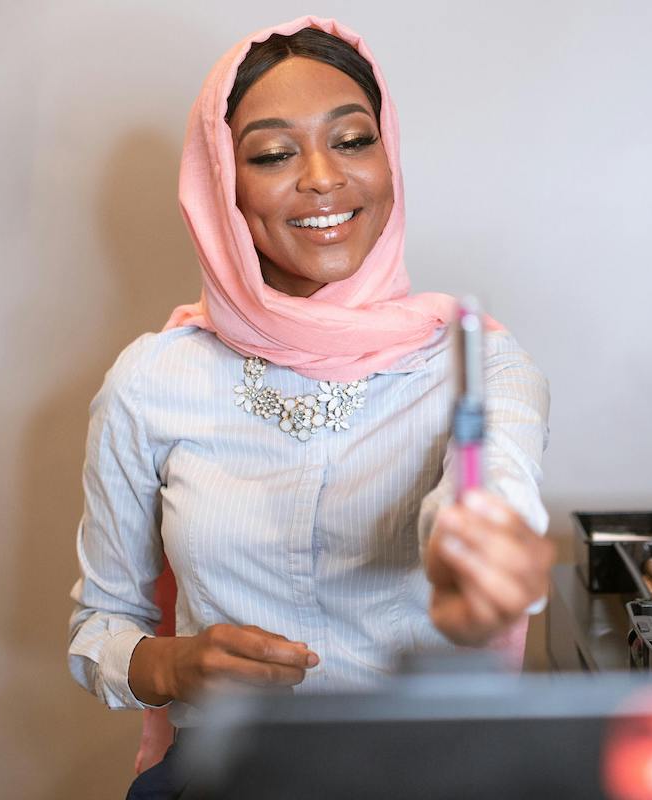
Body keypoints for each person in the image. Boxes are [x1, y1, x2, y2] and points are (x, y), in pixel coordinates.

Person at [67, 16, 553, 797]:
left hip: (429, 776)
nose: (324, 178)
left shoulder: (475, 362)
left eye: (354, 140)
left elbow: (492, 487)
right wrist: (173, 663)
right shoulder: (150, 382)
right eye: (272, 153)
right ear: (222, 184)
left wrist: (482, 546)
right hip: (230, 775)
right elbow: (100, 626)